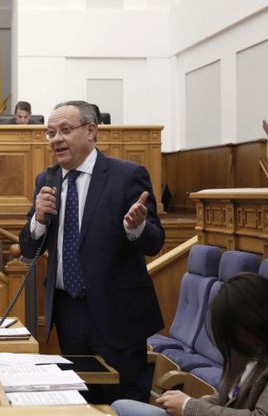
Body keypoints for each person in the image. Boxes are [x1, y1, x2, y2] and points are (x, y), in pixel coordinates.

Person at [18, 100, 165, 403]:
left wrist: (135, 228)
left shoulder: (127, 176)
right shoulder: (46, 180)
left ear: (91, 131)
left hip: (118, 315)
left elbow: (154, 242)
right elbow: (29, 247)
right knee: (82, 403)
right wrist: (39, 219)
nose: (55, 139)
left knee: (124, 404)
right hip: (69, 313)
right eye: (50, 133)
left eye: (65, 130)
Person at [111, 272, 268, 416]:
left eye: (235, 329)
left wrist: (188, 407)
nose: (233, 339)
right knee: (121, 407)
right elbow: (229, 399)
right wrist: (202, 403)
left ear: (257, 320)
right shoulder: (250, 350)